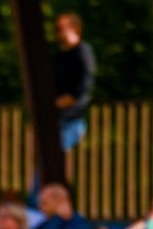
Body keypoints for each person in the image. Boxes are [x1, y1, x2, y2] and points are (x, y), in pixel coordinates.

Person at [52, 12, 95, 151]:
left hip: (72, 122)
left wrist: (56, 104)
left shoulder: (83, 53)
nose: (57, 32)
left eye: (61, 28)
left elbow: (82, 88)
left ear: (74, 28)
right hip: (56, 121)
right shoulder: (59, 58)